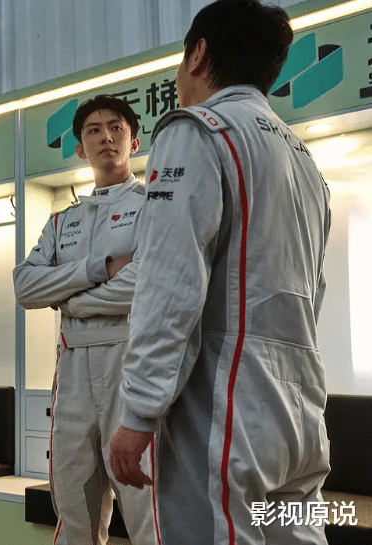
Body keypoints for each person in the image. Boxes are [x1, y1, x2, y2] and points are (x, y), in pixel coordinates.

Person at [109, 1, 331, 543]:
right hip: (302, 408)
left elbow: (169, 282)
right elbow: (315, 287)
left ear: (199, 55)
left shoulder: (198, 131)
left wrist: (139, 410)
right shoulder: (306, 160)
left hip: (228, 407)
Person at [13, 95, 156, 545]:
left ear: (134, 141)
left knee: (147, 510)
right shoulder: (62, 221)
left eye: (116, 128)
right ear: (79, 148)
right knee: (73, 508)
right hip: (71, 368)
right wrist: (99, 269)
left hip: (130, 362)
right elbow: (25, 287)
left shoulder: (154, 204)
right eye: (93, 130)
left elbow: (146, 282)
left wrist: (70, 299)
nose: (105, 137)